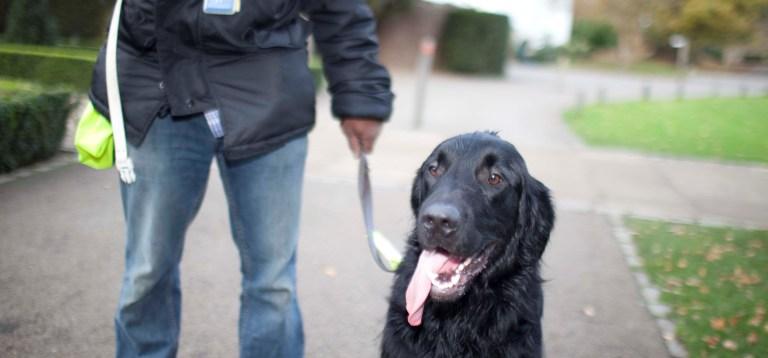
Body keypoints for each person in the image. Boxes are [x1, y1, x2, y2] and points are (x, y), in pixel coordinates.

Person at [87, 1, 393, 357]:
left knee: (272, 283)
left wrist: (361, 94)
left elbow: (339, 7)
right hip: (160, 84)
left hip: (268, 90)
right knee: (147, 271)